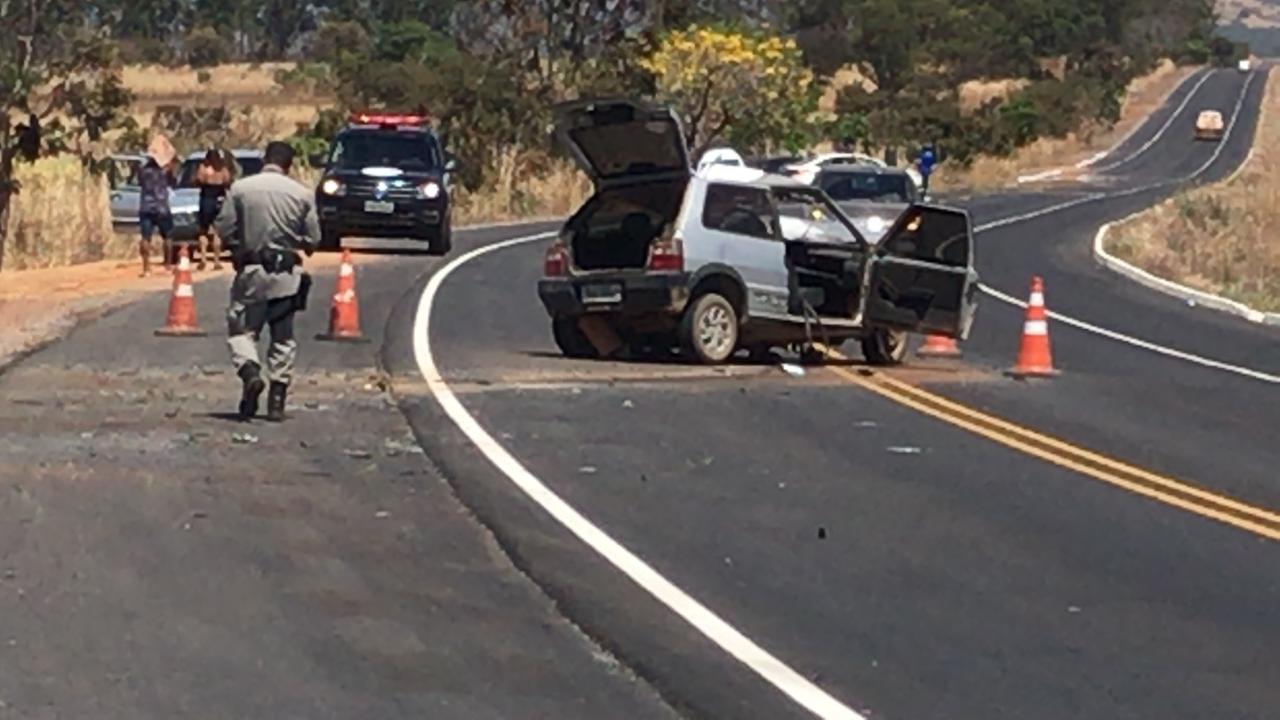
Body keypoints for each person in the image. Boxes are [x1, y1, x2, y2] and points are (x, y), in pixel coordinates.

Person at [215, 141, 320, 422]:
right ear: (289, 165)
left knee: (241, 330)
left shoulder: (240, 189)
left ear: (264, 159)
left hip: (251, 273)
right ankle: (277, 400)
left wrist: (239, 244)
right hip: (285, 277)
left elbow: (223, 227)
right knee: (282, 336)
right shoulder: (302, 194)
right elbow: (313, 241)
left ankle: (250, 373)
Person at [138, 144, 176, 277]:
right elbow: (173, 182)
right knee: (168, 236)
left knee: (145, 238)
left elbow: (140, 182)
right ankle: (168, 265)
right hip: (162, 207)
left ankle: (146, 268)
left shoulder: (142, 170)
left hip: (146, 206)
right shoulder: (165, 171)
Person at [195, 148, 233, 271]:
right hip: (220, 199)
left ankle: (203, 259)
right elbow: (228, 181)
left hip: (206, 199)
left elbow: (199, 180)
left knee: (203, 231)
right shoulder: (222, 169)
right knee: (217, 232)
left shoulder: (204, 168)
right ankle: (217, 260)